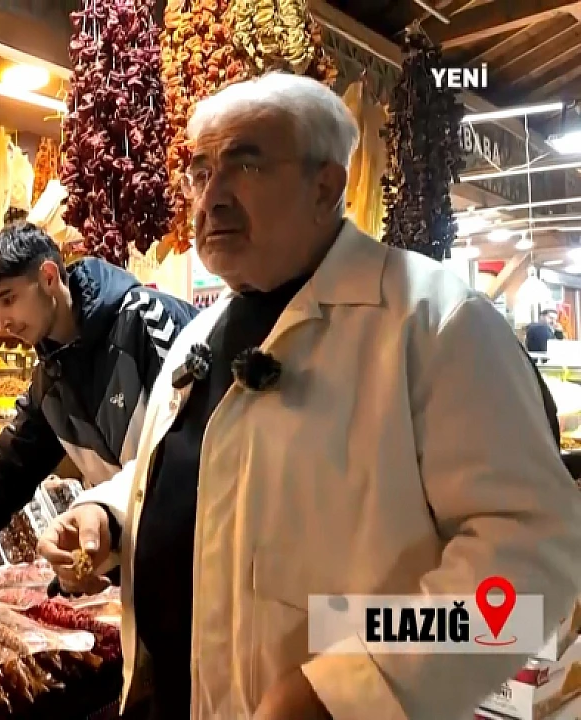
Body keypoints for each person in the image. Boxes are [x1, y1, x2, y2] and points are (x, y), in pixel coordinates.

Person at [39, 73, 581, 720]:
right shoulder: (198, 337)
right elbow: (206, 472)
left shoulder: (433, 324)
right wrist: (111, 517)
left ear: (325, 186)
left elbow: (533, 566)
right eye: (201, 172)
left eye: (245, 165)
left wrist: (351, 687)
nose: (211, 197)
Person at [0, 222, 197, 616]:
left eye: (8, 300)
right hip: (148, 574)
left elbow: (191, 452)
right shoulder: (52, 377)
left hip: (207, 564)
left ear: (49, 278)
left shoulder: (147, 322)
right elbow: (3, 478)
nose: (1, 321)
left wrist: (107, 519)